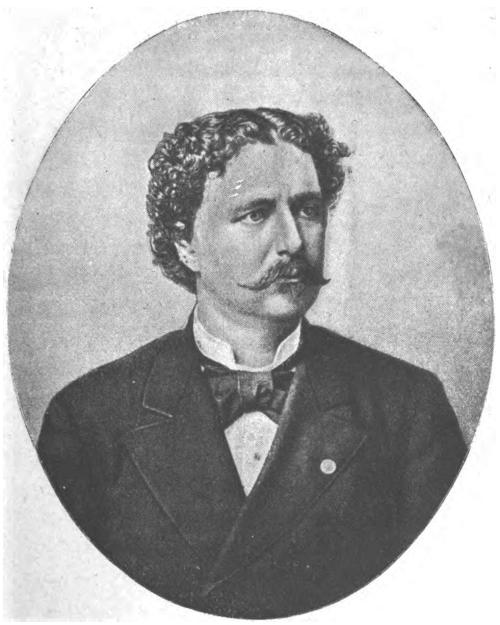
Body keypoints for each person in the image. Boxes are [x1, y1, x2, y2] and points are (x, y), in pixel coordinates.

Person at [37, 107, 466, 619]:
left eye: (308, 209)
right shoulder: (89, 418)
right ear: (185, 243)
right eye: (256, 214)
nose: (293, 241)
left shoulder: (408, 407)